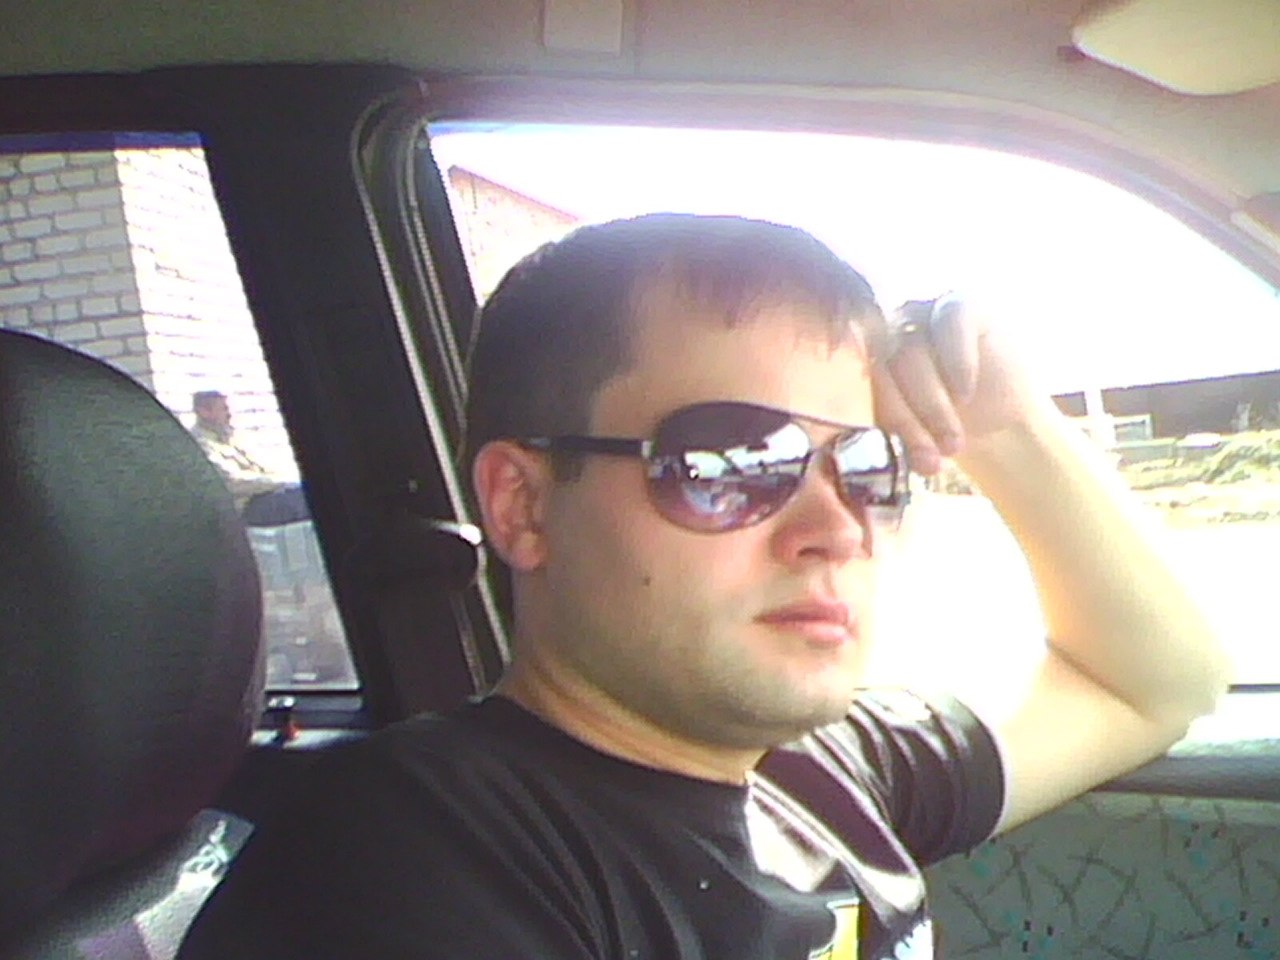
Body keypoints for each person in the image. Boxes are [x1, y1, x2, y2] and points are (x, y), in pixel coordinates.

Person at [179, 214, 1230, 960]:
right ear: (523, 506)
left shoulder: (824, 770)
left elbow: (1155, 683)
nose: (836, 529)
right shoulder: (401, 871)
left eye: (868, 466)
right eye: (731, 462)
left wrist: (995, 423)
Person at [190, 389, 309, 526]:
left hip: (267, 494)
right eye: (224, 409)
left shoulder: (231, 435)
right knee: (302, 500)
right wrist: (278, 482)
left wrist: (285, 481)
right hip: (243, 507)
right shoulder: (200, 444)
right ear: (204, 412)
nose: (229, 414)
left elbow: (266, 465)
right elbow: (232, 482)